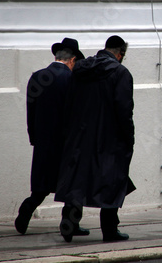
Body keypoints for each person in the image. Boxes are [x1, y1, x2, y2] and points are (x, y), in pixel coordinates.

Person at [54, 35, 136, 243]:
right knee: (112, 181)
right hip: (109, 139)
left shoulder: (80, 69)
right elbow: (124, 111)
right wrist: (129, 139)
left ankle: (68, 224)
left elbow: (68, 103)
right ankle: (109, 230)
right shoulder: (120, 73)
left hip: (79, 137)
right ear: (120, 53)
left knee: (77, 180)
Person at [15, 38, 89, 237]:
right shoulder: (72, 80)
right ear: (72, 60)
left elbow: (31, 111)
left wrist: (34, 137)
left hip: (43, 142)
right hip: (67, 143)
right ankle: (69, 225)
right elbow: (76, 113)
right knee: (73, 187)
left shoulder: (37, 77)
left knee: (41, 186)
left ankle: (27, 209)